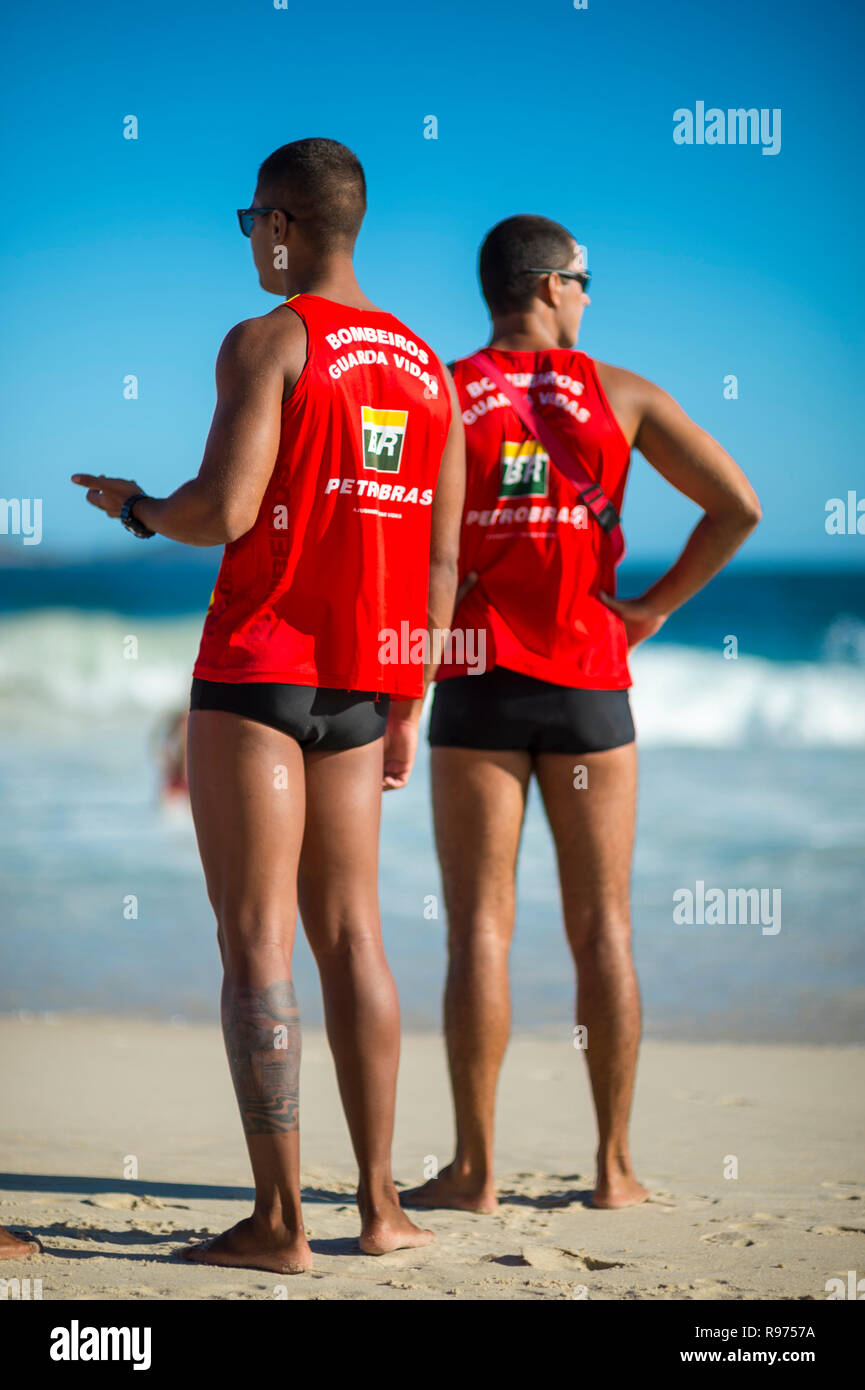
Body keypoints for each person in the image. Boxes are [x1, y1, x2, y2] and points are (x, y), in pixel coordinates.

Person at [72, 137, 465, 1272]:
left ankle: (281, 1223)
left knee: (255, 941)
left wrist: (142, 506)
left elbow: (227, 507)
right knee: (356, 937)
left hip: (257, 674)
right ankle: (382, 1209)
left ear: (287, 222)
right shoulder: (429, 370)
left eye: (252, 219)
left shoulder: (271, 340)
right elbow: (438, 564)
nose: (250, 238)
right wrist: (407, 702)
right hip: (362, 683)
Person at [402, 214, 761, 1214]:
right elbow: (737, 506)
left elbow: (417, 547)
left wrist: (406, 666)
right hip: (589, 681)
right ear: (553, 284)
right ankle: (612, 1170)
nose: (590, 297)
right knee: (603, 924)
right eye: (585, 280)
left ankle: (473, 1173)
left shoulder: (443, 391)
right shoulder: (626, 394)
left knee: (478, 924)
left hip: (474, 678)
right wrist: (648, 608)